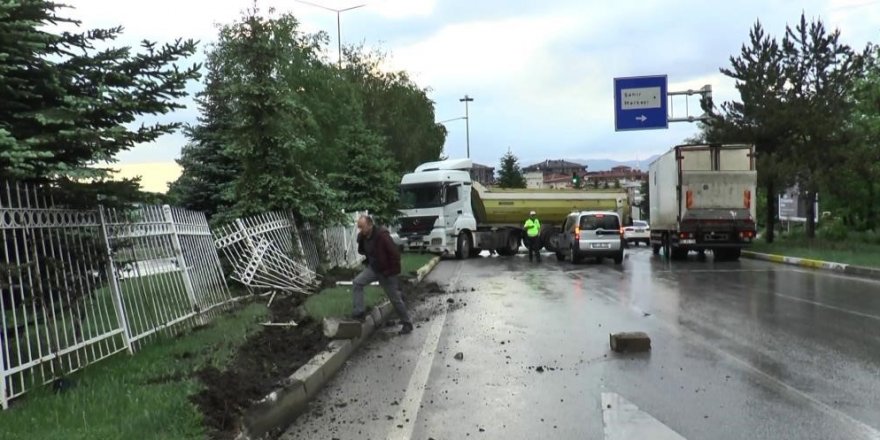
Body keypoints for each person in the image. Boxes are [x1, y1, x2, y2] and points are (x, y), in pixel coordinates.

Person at [353, 215, 414, 335]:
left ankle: (407, 323)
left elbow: (395, 255)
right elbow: (364, 250)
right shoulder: (363, 237)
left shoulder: (382, 236)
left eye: (362, 227)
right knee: (357, 282)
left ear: (370, 225)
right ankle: (359, 312)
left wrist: (390, 272)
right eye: (359, 227)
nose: (360, 230)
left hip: (387, 271)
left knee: (394, 298)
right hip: (374, 269)